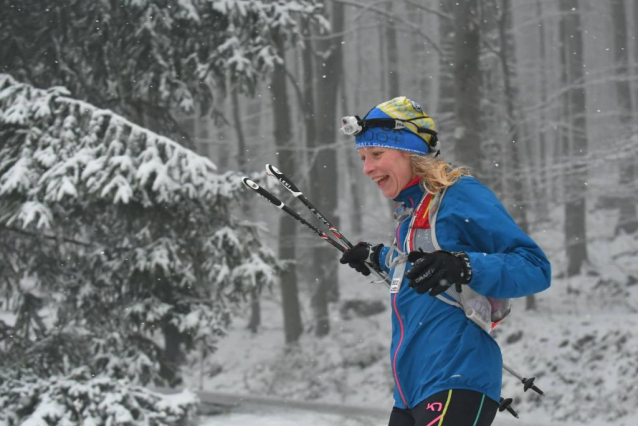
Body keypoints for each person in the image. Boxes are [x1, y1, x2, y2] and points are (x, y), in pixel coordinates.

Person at [339, 96, 551, 426]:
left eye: (376, 154)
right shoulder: (411, 213)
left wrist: (465, 266)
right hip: (411, 390)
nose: (367, 168)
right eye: (363, 157)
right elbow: (420, 263)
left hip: (457, 376)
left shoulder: (458, 194)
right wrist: (377, 256)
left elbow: (535, 267)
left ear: (409, 151)